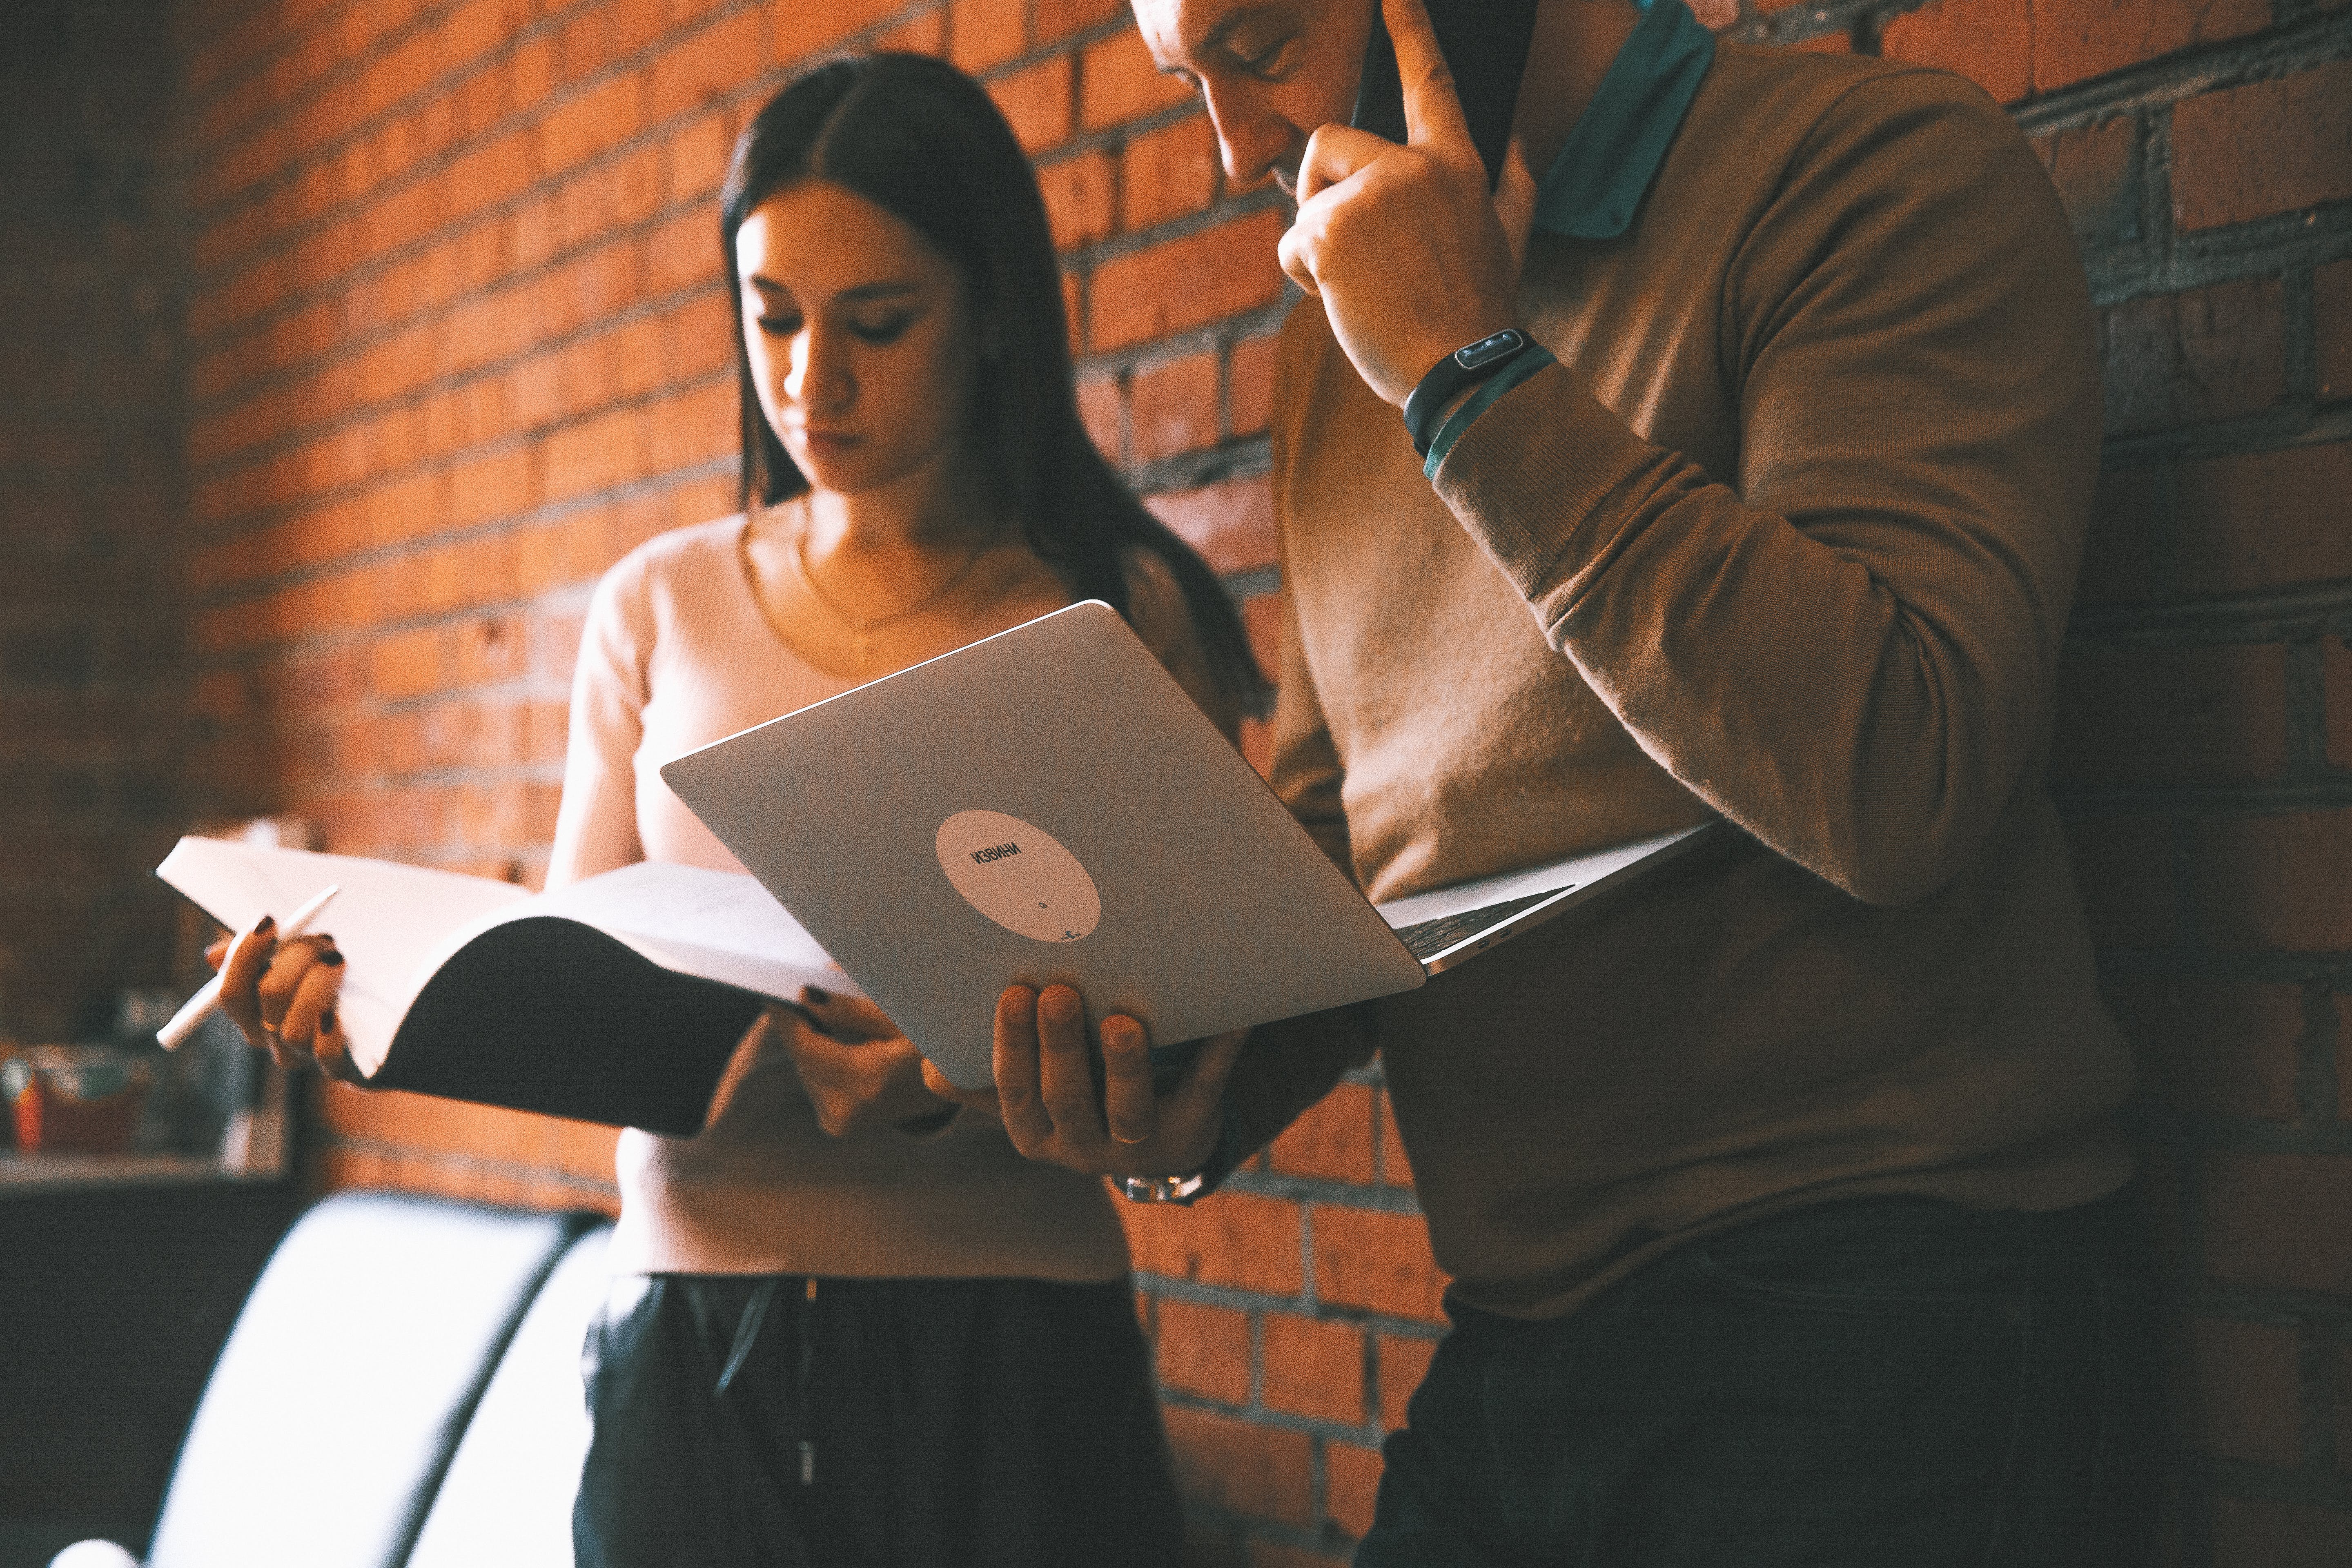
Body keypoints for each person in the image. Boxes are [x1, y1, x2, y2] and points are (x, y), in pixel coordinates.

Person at [929, 0, 2165, 1562]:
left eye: (1258, 45)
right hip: (1521, 1338)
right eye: (1189, 84)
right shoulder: (1334, 341)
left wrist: (1468, 376)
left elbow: (1902, 768)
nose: (1236, 152)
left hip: (1893, 1296)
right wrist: (1184, 1075)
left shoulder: (1869, 169)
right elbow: (1349, 839)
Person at [203, 52, 1267, 1568]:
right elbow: (581, 991)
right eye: (771, 315)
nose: (810, 381)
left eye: (878, 324)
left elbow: (1211, 1052)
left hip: (1014, 1366)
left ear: (993, 319)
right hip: (693, 1357)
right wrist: (376, 1012)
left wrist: (979, 1076)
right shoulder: (662, 605)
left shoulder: (1116, 611)